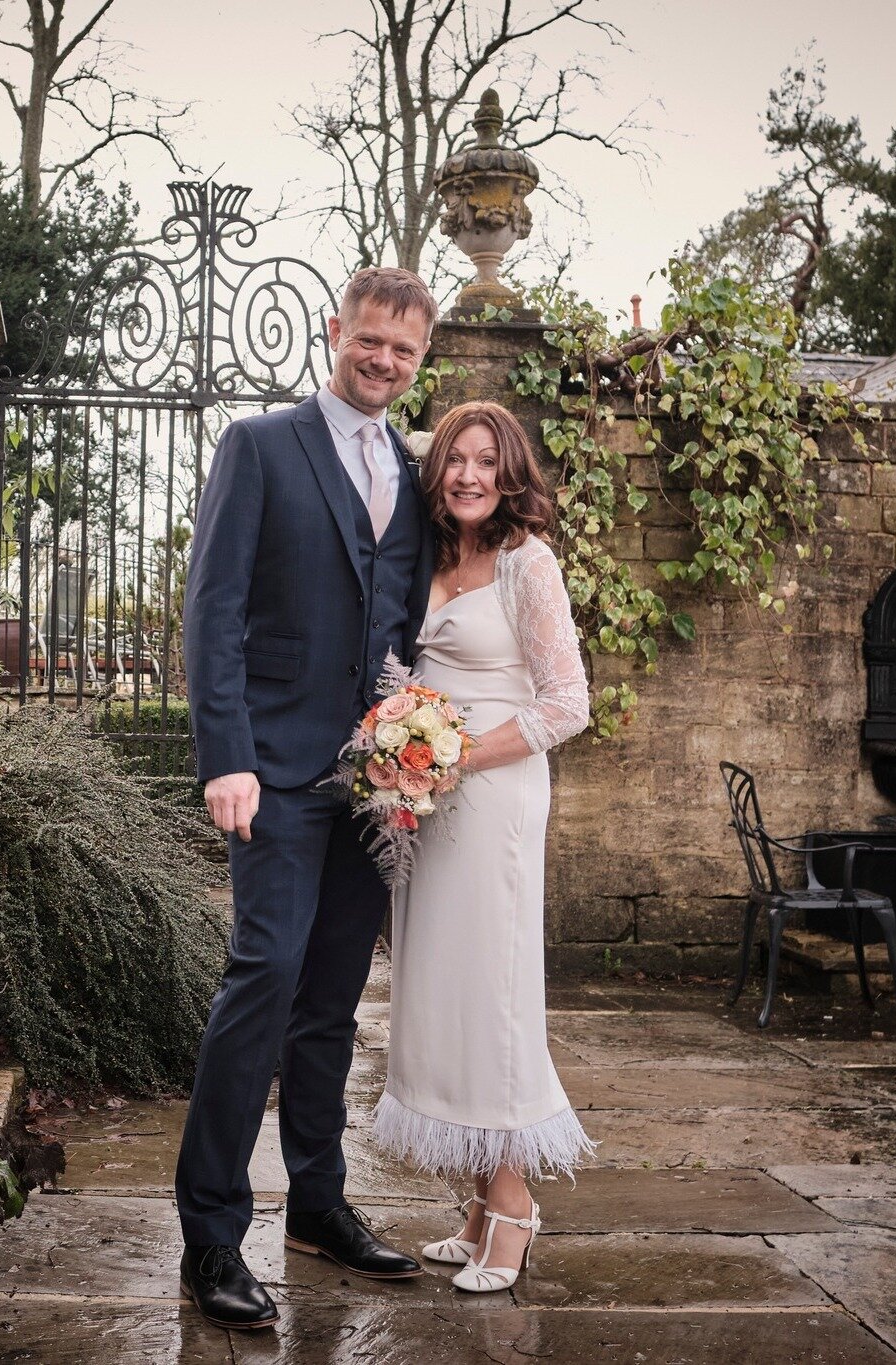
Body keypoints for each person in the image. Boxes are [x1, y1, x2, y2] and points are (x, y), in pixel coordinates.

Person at [177, 267, 438, 1331]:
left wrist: (417, 750)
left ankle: (319, 1206)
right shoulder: (262, 445)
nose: (383, 362)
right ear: (338, 334)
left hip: (375, 784)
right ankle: (211, 1233)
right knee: (264, 978)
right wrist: (223, 755)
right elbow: (214, 608)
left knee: (334, 1001)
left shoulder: (415, 474)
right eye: (370, 341)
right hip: (273, 772)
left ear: (421, 360)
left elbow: (406, 625)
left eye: (404, 352)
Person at [372, 400, 595, 1293]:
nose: (467, 474)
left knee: (492, 997)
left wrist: (449, 756)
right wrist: (406, 759)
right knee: (441, 993)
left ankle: (514, 1204)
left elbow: (564, 703)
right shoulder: (428, 557)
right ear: (438, 475)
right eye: (454, 459)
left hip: (493, 799)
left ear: (511, 475)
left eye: (485, 460)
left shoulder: (525, 564)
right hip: (426, 805)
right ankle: (472, 1203)